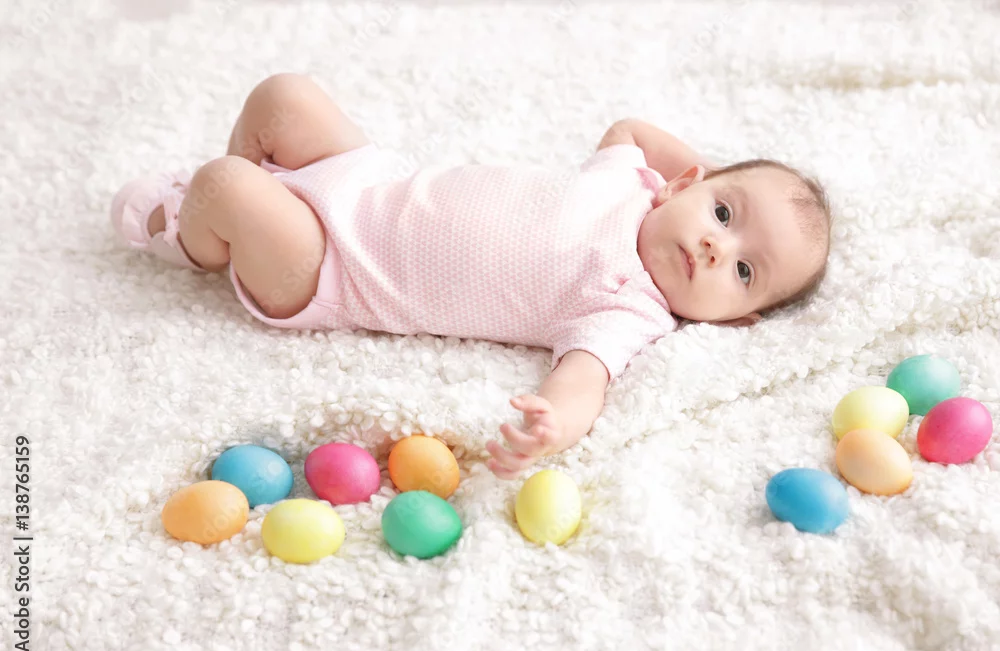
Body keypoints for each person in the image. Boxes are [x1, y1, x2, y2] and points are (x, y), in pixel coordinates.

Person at [111, 74, 832, 480]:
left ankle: (197, 240)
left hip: (331, 264)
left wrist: (551, 426)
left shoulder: (628, 306)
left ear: (736, 320)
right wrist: (701, 177)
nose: (714, 246)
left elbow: (584, 381)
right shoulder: (631, 181)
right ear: (686, 182)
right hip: (365, 177)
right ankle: (241, 206)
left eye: (744, 270)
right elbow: (631, 128)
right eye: (724, 212)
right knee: (284, 97)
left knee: (227, 183)